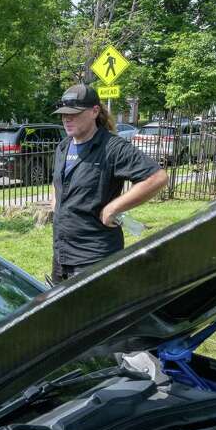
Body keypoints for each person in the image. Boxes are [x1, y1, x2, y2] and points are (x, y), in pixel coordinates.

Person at [50, 83, 168, 283]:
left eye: (74, 113)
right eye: (63, 114)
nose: (67, 118)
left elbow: (156, 177)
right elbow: (57, 183)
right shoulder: (63, 147)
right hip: (62, 256)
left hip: (94, 257)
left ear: (94, 111)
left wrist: (114, 207)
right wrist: (56, 204)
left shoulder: (112, 148)